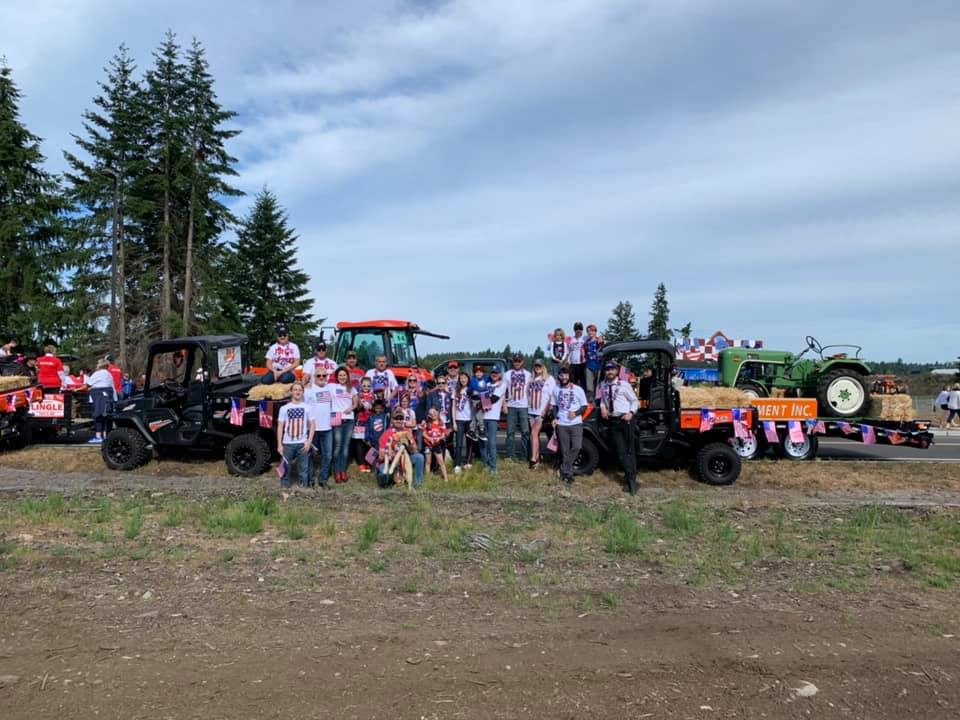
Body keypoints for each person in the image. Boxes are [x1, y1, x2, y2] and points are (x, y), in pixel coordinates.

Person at [598, 360, 639, 494]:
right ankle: (630, 478)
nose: (609, 372)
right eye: (607, 369)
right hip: (613, 420)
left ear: (617, 371)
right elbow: (603, 401)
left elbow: (634, 401)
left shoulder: (624, 385)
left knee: (629, 451)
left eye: (612, 369)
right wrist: (603, 408)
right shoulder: (603, 385)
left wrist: (631, 412)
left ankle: (631, 481)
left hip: (625, 420)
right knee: (621, 453)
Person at [551, 366, 588, 485]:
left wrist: (576, 413)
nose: (564, 377)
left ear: (570, 376)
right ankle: (568, 475)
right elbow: (554, 406)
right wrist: (555, 418)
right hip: (562, 424)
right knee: (565, 450)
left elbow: (584, 406)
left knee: (577, 447)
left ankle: (563, 468)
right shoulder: (556, 389)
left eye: (566, 375)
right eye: (561, 375)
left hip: (576, 423)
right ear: (559, 377)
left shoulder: (578, 389)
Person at [276, 382, 316, 489]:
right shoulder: (284, 408)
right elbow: (280, 427)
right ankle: (285, 486)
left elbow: (312, 425)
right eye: (295, 390)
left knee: (304, 468)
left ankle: (304, 488)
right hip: (288, 443)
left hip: (302, 443)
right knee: (285, 466)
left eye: (300, 390)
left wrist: (309, 441)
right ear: (291, 392)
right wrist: (279, 444)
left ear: (303, 392)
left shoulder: (308, 407)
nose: (297, 392)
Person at [304, 368, 335, 488]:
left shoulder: (330, 388)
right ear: (314, 377)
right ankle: (311, 480)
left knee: (328, 455)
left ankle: (323, 479)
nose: (321, 377)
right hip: (313, 429)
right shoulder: (308, 390)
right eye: (318, 376)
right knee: (310, 455)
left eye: (324, 375)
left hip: (327, 428)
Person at [377, 410, 425, 489]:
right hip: (389, 462)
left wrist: (411, 442)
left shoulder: (407, 432)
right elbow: (381, 457)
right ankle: (387, 485)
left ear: (404, 420)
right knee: (383, 474)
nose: (399, 420)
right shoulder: (386, 434)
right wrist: (390, 454)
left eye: (401, 418)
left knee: (419, 457)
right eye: (396, 418)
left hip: (404, 460)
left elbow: (415, 451)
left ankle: (417, 484)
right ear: (392, 420)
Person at [331, 367, 359, 483]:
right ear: (337, 377)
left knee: (345, 447)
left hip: (349, 420)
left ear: (347, 376)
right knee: (337, 446)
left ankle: (343, 471)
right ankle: (337, 472)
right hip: (336, 418)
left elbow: (356, 403)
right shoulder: (332, 387)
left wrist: (351, 408)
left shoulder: (351, 388)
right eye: (340, 375)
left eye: (344, 375)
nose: (342, 377)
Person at [527, 358, 556, 469]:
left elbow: (552, 396)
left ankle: (533, 458)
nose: (537, 368)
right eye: (536, 366)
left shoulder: (549, 379)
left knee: (533, 434)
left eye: (539, 366)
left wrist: (546, 409)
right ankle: (538, 458)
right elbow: (528, 395)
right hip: (531, 411)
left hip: (541, 411)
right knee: (536, 435)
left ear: (543, 367)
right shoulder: (531, 379)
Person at [503, 353, 531, 463]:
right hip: (511, 406)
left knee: (525, 432)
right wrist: (504, 405)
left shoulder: (528, 374)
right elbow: (503, 391)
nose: (517, 363)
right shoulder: (507, 374)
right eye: (515, 361)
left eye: (519, 361)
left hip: (524, 406)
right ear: (513, 362)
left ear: (522, 362)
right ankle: (511, 456)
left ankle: (524, 456)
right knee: (510, 432)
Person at [482, 367, 506, 475]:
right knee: (484, 443)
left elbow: (494, 399)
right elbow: (477, 394)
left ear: (500, 374)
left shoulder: (502, 385)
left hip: (493, 418)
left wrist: (480, 403)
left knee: (492, 443)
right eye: (492, 372)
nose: (494, 374)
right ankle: (486, 464)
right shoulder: (486, 384)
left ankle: (493, 467)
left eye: (496, 373)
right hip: (483, 417)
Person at [87, 359, 116, 444]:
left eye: (97, 363)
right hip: (108, 398)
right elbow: (112, 386)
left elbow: (87, 384)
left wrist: (77, 389)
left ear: (100, 365)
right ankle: (105, 435)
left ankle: (98, 436)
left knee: (98, 416)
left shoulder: (97, 373)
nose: (96, 365)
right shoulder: (109, 374)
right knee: (105, 416)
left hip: (98, 397)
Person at [453, 371, 475, 471]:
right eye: (461, 378)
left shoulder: (471, 390)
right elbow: (453, 407)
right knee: (459, 443)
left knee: (469, 442)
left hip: (469, 420)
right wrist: (454, 422)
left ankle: (468, 462)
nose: (463, 380)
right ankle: (457, 464)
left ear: (468, 379)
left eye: (465, 378)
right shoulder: (456, 390)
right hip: (459, 420)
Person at [422, 407, 450, 482]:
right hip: (428, 445)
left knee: (441, 462)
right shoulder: (427, 423)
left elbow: (444, 433)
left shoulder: (441, 423)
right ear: (429, 415)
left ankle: (446, 478)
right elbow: (423, 434)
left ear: (437, 413)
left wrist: (439, 438)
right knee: (428, 462)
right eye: (431, 414)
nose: (433, 415)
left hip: (437, 445)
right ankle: (427, 479)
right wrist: (429, 439)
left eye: (434, 413)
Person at [355, 377, 375, 471]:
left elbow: (376, 408)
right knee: (360, 443)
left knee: (371, 442)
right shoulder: (358, 395)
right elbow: (356, 407)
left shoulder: (373, 395)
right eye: (364, 385)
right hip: (360, 421)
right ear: (360, 385)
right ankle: (361, 463)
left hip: (370, 422)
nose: (366, 387)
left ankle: (369, 462)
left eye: (368, 385)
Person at [364, 398, 389, 475]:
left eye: (380, 408)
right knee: (372, 455)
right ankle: (372, 468)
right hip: (373, 439)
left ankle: (380, 469)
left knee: (381, 455)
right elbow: (367, 429)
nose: (378, 409)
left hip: (382, 440)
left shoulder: (385, 417)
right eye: (376, 408)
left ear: (382, 409)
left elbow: (388, 428)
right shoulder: (371, 418)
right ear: (374, 408)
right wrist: (367, 438)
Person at [583, 324, 604, 396]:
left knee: (598, 385)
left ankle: (598, 401)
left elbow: (603, 347)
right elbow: (584, 354)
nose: (590, 333)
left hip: (598, 364)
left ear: (595, 332)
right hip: (589, 365)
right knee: (589, 387)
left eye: (592, 331)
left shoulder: (599, 340)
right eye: (588, 331)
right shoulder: (586, 343)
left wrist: (601, 341)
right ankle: (590, 401)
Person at [569, 322, 587, 389]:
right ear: (574, 330)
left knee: (583, 382)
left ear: (582, 330)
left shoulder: (585, 338)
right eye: (576, 328)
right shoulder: (570, 339)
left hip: (582, 363)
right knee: (573, 382)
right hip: (573, 363)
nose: (578, 330)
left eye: (580, 328)